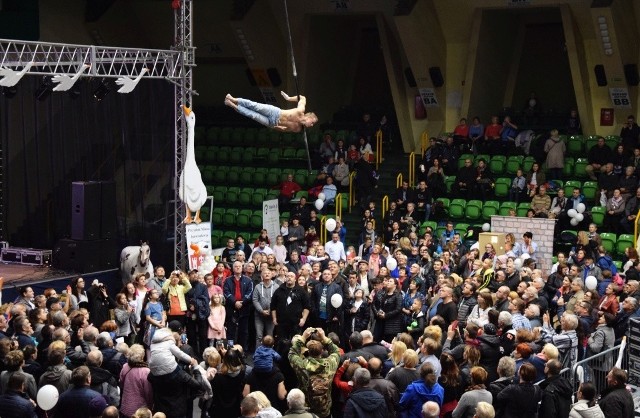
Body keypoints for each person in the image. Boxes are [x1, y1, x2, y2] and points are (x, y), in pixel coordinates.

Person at [288, 327, 340, 418]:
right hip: (324, 409)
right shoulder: (330, 364)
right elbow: (336, 351)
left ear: (308, 351)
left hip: (307, 410)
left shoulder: (301, 365)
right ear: (322, 351)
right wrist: (324, 337)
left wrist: (303, 337)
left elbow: (292, 353)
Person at [225, 92, 317, 132]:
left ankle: (232, 105)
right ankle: (233, 99)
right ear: (309, 117)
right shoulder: (300, 111)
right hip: (275, 112)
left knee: (252, 115)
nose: (312, 125)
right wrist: (289, 98)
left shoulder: (298, 129)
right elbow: (302, 98)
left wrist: (274, 127)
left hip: (272, 123)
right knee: (254, 106)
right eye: (312, 122)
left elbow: (284, 129)